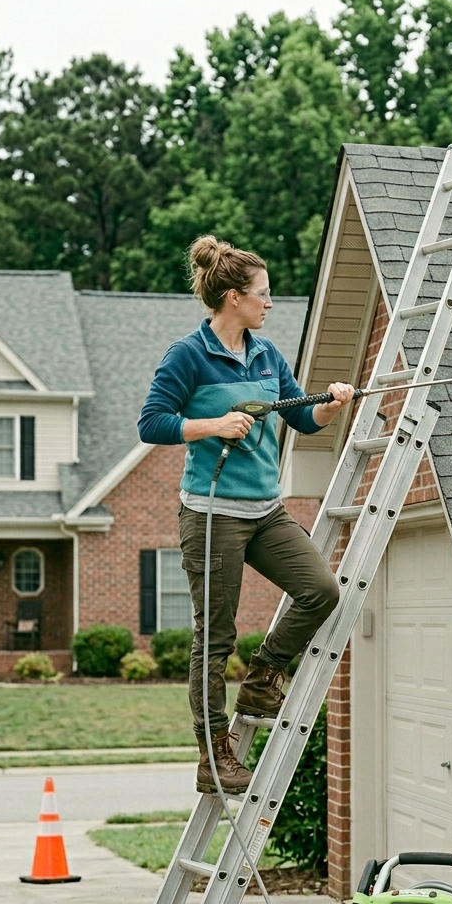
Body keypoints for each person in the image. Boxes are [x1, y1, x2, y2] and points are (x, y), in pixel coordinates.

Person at [138, 236, 354, 793]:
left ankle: (263, 677)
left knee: (321, 590)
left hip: (266, 511)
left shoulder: (266, 354)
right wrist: (214, 425)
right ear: (234, 297)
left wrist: (331, 404)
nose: (270, 302)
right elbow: (151, 423)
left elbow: (302, 418)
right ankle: (213, 756)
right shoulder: (187, 355)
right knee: (215, 637)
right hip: (211, 514)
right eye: (263, 293)